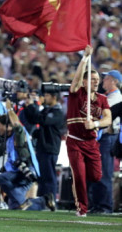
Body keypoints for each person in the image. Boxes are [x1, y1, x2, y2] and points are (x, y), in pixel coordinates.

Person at [66, 45, 112, 217]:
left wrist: (95, 124)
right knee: (79, 175)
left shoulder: (102, 99)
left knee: (96, 176)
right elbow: (76, 80)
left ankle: (86, 200)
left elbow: (107, 118)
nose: (96, 82)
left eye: (97, 79)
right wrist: (85, 58)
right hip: (75, 140)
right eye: (92, 79)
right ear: (85, 82)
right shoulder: (76, 93)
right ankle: (82, 209)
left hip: (92, 142)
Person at [0, 109, 55, 211]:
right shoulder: (8, 139)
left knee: (1, 178)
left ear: (8, 126)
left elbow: (17, 125)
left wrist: (9, 110)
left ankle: (22, 201)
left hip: (26, 171)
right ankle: (44, 200)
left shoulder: (19, 134)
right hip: (17, 173)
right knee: (15, 206)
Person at [90, 70, 122, 213]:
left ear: (114, 81)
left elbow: (104, 114)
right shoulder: (107, 96)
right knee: (97, 171)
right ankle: (97, 204)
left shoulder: (116, 97)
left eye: (106, 78)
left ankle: (105, 206)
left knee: (104, 172)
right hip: (100, 137)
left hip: (108, 137)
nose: (102, 81)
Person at [24, 90, 64, 204]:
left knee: (49, 176)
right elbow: (33, 119)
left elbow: (43, 120)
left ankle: (50, 202)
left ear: (54, 97)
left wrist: (33, 105)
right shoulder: (48, 110)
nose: (44, 98)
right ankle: (42, 201)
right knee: (42, 176)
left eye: (46, 95)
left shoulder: (57, 112)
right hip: (42, 147)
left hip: (50, 147)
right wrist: (29, 106)